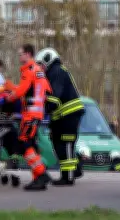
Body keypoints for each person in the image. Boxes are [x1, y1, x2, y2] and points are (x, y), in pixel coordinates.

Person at [5, 43, 53, 190]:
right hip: (38, 113)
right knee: (31, 145)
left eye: (20, 54)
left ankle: (41, 174)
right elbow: (47, 91)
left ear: (28, 54)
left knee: (24, 143)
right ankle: (37, 179)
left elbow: (20, 92)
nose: (19, 57)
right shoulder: (39, 71)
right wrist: (13, 88)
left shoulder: (28, 71)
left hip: (30, 114)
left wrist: (8, 96)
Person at [36, 47, 85, 186]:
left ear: (47, 59)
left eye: (41, 64)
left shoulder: (56, 71)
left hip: (68, 114)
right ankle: (75, 169)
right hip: (61, 115)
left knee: (66, 143)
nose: (40, 67)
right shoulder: (53, 72)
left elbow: (54, 97)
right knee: (58, 143)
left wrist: (42, 110)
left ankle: (68, 177)